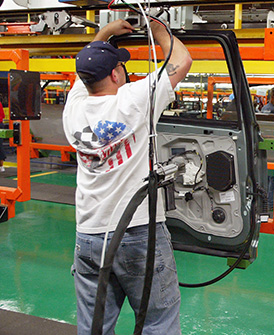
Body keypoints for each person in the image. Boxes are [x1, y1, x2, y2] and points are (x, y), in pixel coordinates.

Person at [62, 19, 192, 334]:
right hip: (138, 233)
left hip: (89, 237)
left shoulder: (73, 109)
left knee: (95, 325)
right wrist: (158, 28)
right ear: (116, 74)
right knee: (157, 322)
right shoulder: (133, 99)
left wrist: (105, 33)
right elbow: (182, 60)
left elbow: (86, 66)